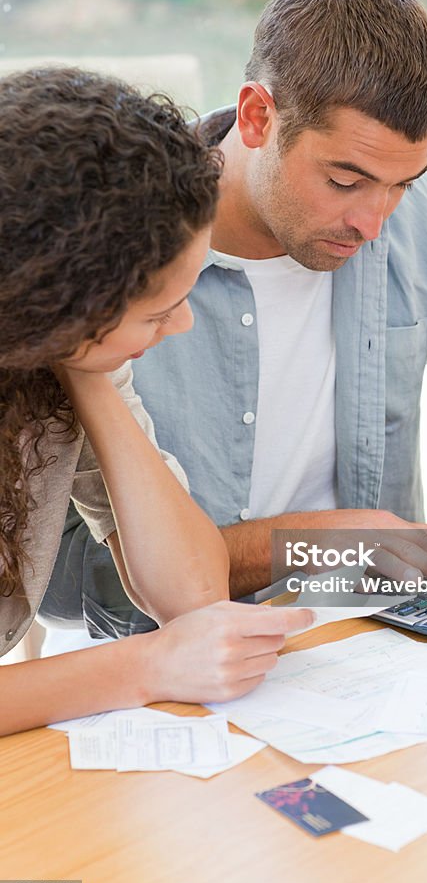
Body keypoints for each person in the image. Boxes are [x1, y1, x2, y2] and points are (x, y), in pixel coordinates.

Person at [49, 0, 427, 636]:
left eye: (401, 183)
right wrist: (309, 542)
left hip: (384, 633)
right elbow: (66, 573)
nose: (375, 222)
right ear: (258, 116)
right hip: (174, 658)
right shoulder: (114, 245)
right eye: (345, 180)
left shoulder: (417, 214)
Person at [0, 67, 312, 735]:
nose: (183, 326)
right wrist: (149, 666)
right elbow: (173, 642)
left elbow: (193, 596)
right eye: (158, 312)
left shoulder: (66, 351)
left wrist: (87, 378)